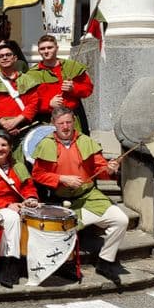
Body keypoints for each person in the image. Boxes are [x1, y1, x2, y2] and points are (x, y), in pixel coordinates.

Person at [31, 107, 128, 285]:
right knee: (61, 231)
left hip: (88, 197)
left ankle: (105, 261)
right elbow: (38, 174)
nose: (66, 127)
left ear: (74, 121)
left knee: (121, 220)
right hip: (61, 200)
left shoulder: (86, 141)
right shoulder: (46, 144)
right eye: (61, 123)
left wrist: (110, 169)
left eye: (69, 122)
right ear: (54, 124)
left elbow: (100, 170)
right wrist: (62, 179)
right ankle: (65, 266)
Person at [0, 130, 39, 288]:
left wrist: (31, 199)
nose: (0, 148)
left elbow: (27, 188)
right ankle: (7, 266)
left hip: (16, 206)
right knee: (11, 218)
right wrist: (7, 205)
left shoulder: (18, 166)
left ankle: (31, 262)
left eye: (4, 145)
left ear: (10, 147)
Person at [27, 34, 94, 131]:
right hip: (46, 121)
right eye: (42, 49)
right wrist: (48, 104)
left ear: (56, 48)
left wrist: (73, 88)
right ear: (39, 51)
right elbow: (28, 101)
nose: (46, 51)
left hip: (72, 120)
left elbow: (88, 89)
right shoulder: (31, 74)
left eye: (50, 47)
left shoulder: (72, 66)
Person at [0, 42, 40, 148]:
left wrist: (16, 121)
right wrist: (4, 123)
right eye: (0, 56)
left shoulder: (28, 80)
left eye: (8, 55)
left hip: (23, 128)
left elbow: (33, 103)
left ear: (15, 58)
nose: (4, 58)